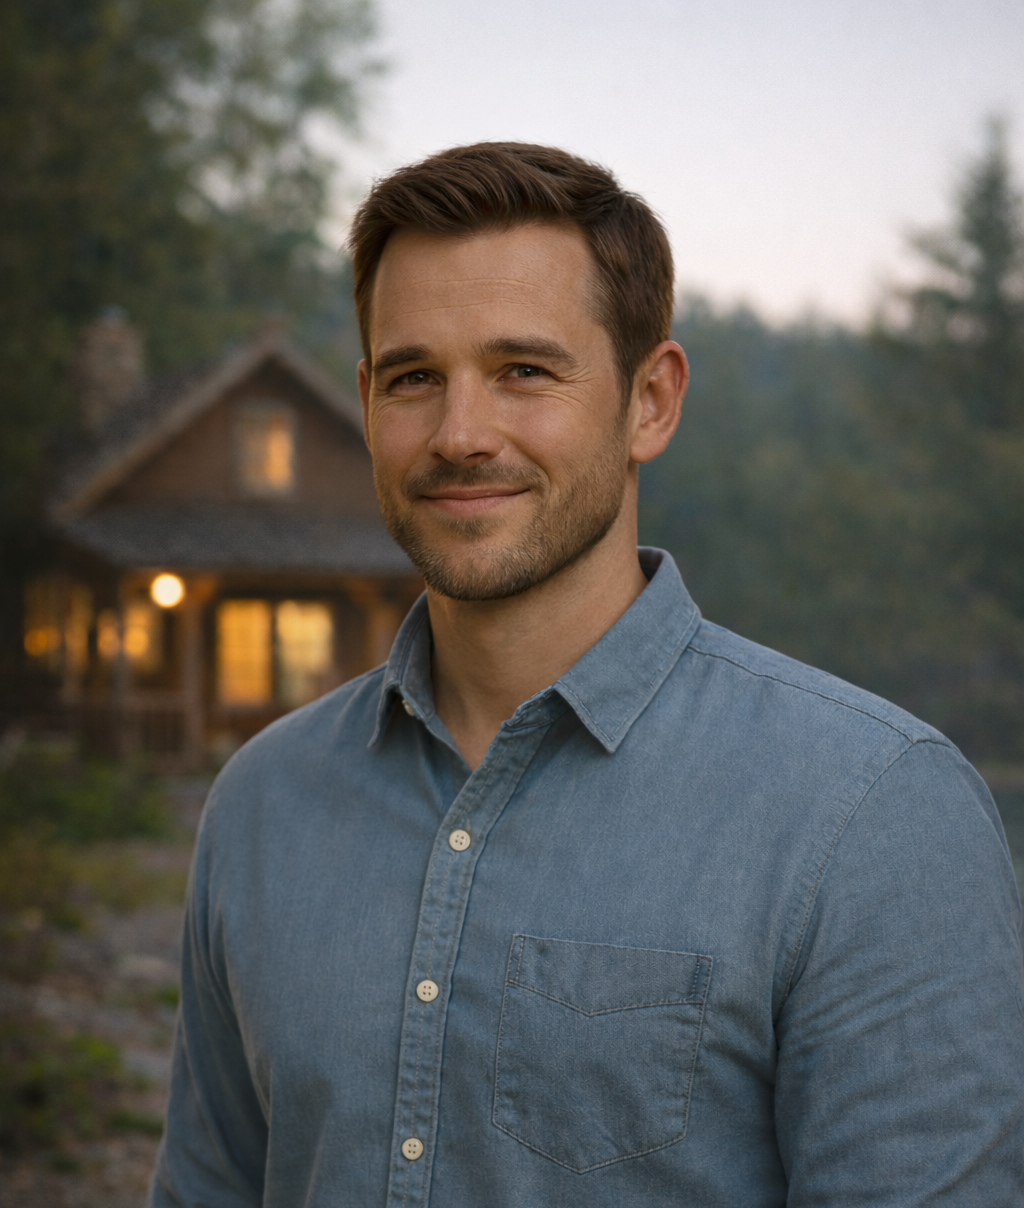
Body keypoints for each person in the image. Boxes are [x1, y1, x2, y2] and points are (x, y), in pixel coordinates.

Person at [151, 143, 1024, 1208]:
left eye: (524, 369)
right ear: (370, 401)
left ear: (649, 402)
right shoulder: (261, 803)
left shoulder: (874, 814)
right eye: (416, 377)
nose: (460, 434)